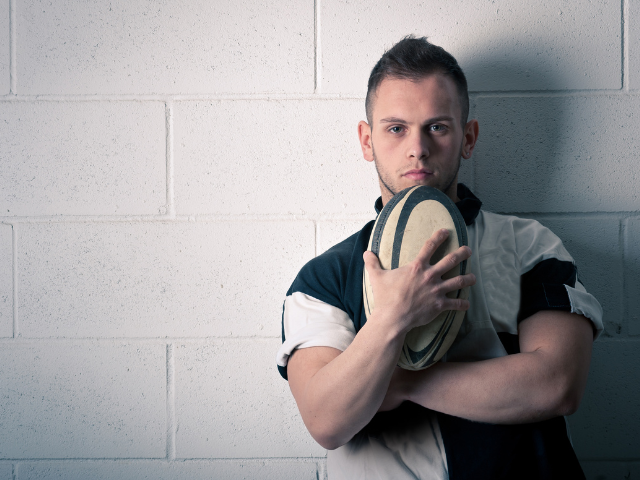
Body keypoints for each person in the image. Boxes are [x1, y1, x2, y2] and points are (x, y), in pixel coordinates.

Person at [276, 35, 603, 479]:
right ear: (366, 140)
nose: (418, 148)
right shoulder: (324, 278)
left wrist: (401, 383)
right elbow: (327, 419)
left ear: (467, 138)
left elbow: (558, 385)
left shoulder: (530, 246)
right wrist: (395, 319)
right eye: (396, 128)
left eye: (437, 127)